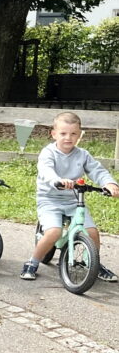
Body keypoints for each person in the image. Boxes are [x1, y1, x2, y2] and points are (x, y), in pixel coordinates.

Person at [21, 111, 119, 282]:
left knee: (92, 232)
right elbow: (46, 170)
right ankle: (33, 262)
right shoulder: (48, 153)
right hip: (50, 200)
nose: (68, 138)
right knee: (53, 232)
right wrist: (57, 180)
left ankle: (93, 264)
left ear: (79, 135)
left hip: (74, 200)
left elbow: (97, 171)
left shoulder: (83, 155)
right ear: (54, 134)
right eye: (63, 133)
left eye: (73, 134)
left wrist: (109, 183)